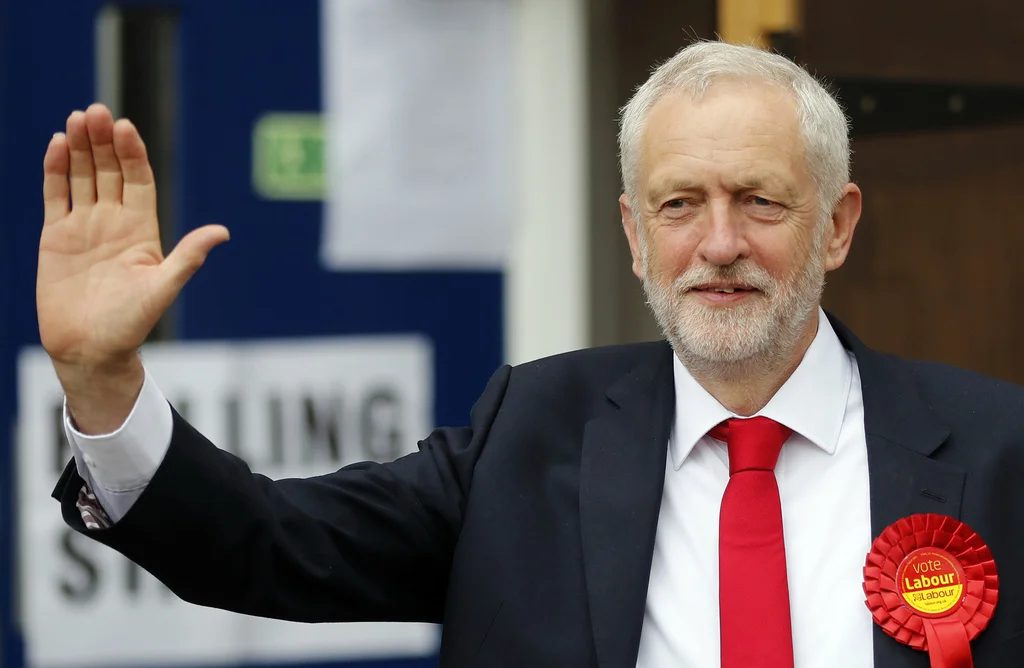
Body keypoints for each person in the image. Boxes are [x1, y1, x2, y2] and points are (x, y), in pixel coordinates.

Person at [39, 40, 1024, 667]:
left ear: (837, 225)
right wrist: (102, 381)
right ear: (634, 234)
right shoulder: (530, 433)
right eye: (680, 204)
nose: (719, 243)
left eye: (760, 201)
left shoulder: (997, 450)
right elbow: (265, 543)